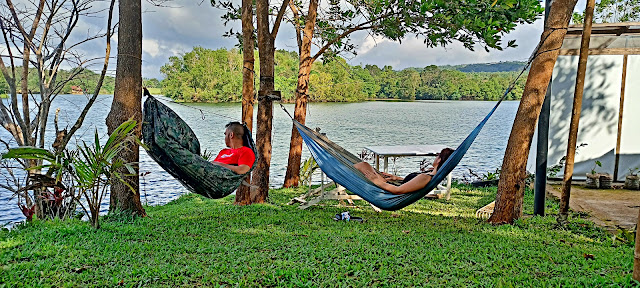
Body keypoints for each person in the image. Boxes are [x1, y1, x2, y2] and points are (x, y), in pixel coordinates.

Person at [354, 148, 455, 195]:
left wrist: (377, 181)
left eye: (438, 155)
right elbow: (414, 184)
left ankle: (339, 171)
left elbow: (398, 191)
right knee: (364, 165)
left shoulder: (426, 177)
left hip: (388, 190)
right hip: (392, 184)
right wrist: (397, 178)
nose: (435, 157)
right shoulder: (431, 174)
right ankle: (339, 171)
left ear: (439, 160)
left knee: (363, 165)